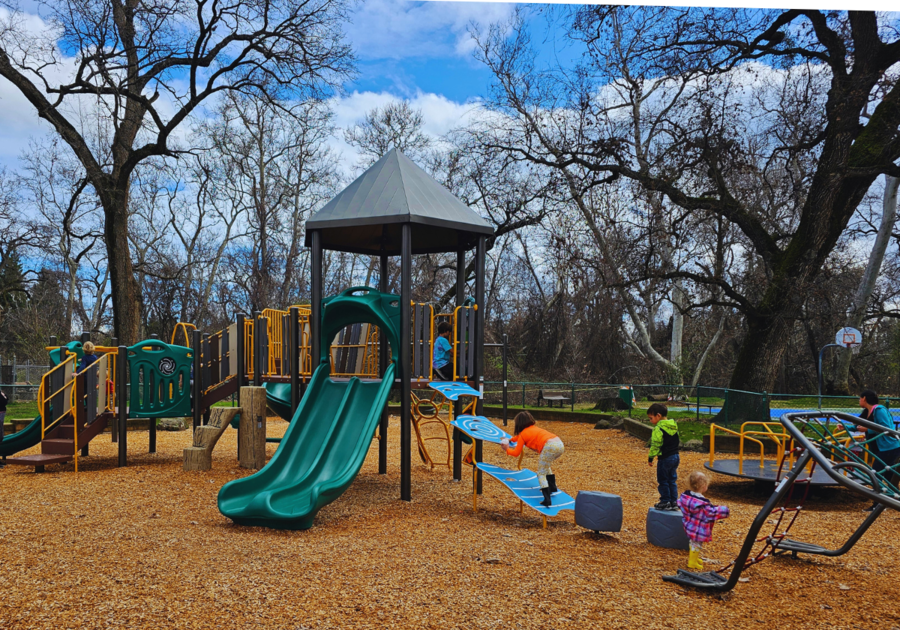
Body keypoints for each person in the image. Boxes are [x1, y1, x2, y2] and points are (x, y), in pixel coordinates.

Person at [500, 411, 564, 507]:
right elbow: (520, 437)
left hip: (549, 446)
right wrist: (511, 439)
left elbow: (516, 453)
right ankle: (552, 487)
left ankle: (547, 499)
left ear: (518, 424)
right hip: (559, 444)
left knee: (541, 473)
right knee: (546, 466)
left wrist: (507, 449)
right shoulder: (533, 429)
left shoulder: (523, 435)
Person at [856, 389, 900, 511]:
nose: (859, 400)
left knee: (875, 474)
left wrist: (867, 430)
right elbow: (859, 424)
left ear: (864, 398)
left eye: (860, 398)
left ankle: (878, 505)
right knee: (889, 474)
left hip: (889, 447)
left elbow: (886, 428)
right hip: (882, 448)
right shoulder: (868, 411)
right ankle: (894, 499)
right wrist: (846, 427)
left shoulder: (879, 410)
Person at [677, 471, 730, 571]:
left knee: (693, 542)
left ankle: (694, 558)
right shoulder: (701, 503)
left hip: (690, 525)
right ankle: (692, 562)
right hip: (698, 528)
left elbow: (680, 504)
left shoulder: (686, 497)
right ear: (703, 486)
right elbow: (710, 513)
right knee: (696, 544)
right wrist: (724, 510)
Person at [647, 402, 680, 510]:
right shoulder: (673, 426)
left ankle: (665, 501)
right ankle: (674, 502)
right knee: (672, 479)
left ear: (658, 416)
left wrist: (651, 457)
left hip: (665, 458)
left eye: (651, 418)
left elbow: (655, 444)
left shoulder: (658, 428)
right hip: (675, 456)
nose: (650, 421)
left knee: (663, 480)